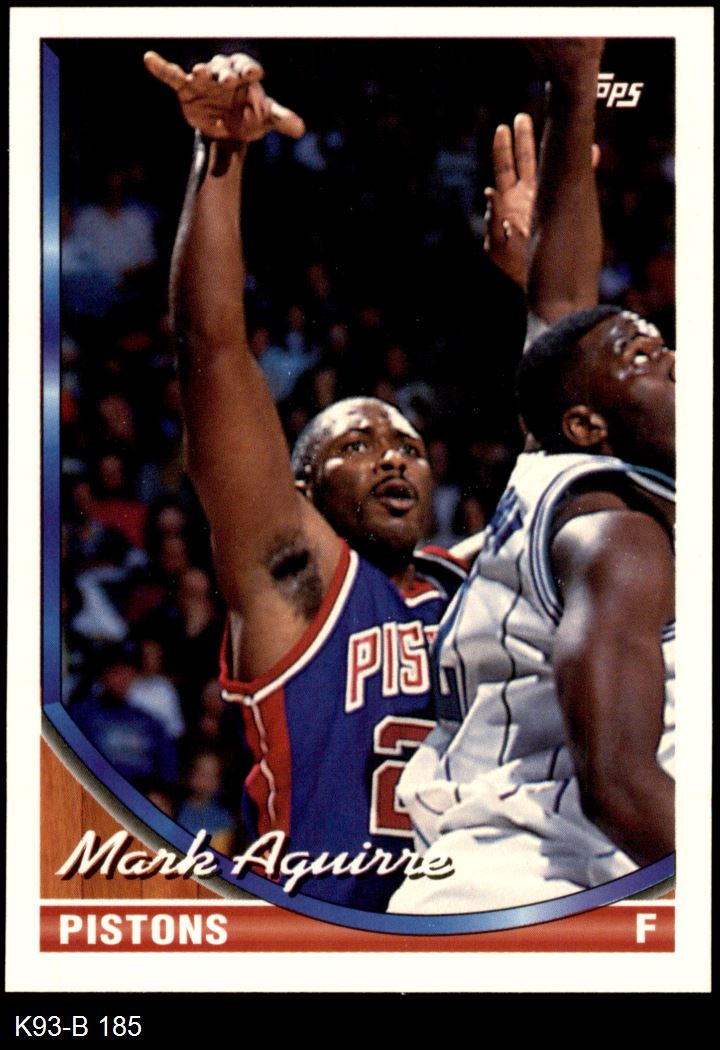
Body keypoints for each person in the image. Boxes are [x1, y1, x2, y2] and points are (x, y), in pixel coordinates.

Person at [144, 49, 482, 910]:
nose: (394, 456)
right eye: (359, 443)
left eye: (408, 445)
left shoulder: (472, 580)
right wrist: (222, 157)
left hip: (460, 934)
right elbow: (211, 349)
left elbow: (576, 447)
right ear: (302, 486)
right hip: (315, 933)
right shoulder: (298, 578)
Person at [389, 41, 675, 914]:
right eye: (645, 360)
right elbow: (620, 784)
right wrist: (574, 83)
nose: (675, 362)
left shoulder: (561, 460)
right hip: (542, 886)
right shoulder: (613, 526)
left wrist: (576, 89)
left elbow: (561, 311)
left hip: (486, 881)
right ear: (590, 424)